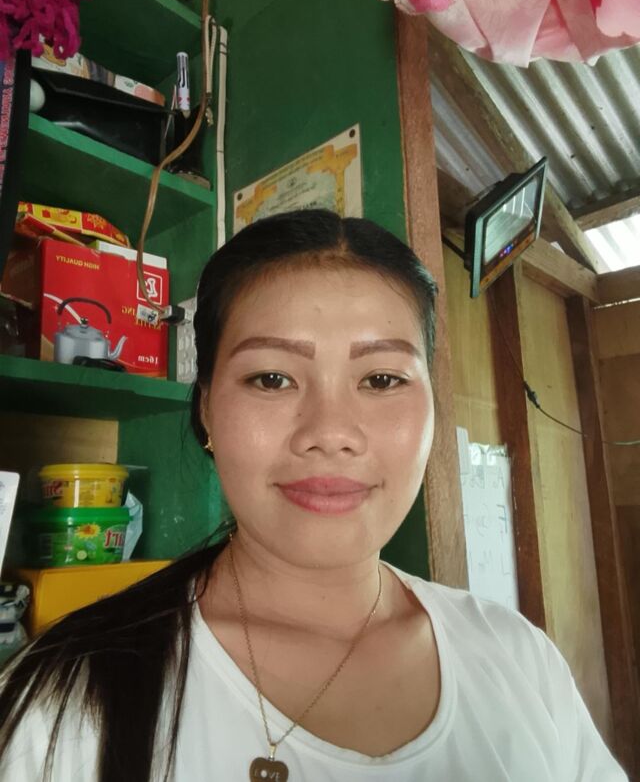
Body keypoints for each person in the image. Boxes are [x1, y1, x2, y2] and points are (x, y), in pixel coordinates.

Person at [0, 209, 628, 782]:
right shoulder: (66, 701)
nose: (329, 432)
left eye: (381, 379)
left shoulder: (520, 661)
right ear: (207, 410)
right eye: (272, 378)